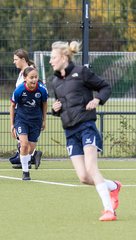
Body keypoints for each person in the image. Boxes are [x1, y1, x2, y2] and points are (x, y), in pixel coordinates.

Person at [50, 40, 122, 221]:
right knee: (83, 177)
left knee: (91, 168)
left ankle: (109, 211)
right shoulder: (55, 81)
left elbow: (105, 87)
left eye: (53, 57)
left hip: (86, 127)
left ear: (64, 56)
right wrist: (55, 109)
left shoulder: (81, 72)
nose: (51, 61)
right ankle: (113, 186)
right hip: (70, 133)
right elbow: (64, 108)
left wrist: (97, 100)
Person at [10, 66, 48, 180]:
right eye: (31, 77)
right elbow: (12, 106)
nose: (34, 80)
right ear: (25, 78)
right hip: (22, 120)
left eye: (36, 77)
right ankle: (25, 172)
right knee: (24, 145)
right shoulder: (19, 90)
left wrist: (44, 120)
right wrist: (12, 124)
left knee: (30, 148)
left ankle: (33, 154)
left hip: (36, 121)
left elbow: (45, 104)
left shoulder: (42, 90)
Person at [9, 49, 43, 169]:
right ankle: (28, 158)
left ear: (23, 59)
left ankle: (31, 156)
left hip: (29, 112)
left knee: (25, 139)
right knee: (22, 139)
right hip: (20, 110)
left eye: (16, 59)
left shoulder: (30, 72)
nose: (14, 62)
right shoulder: (21, 73)